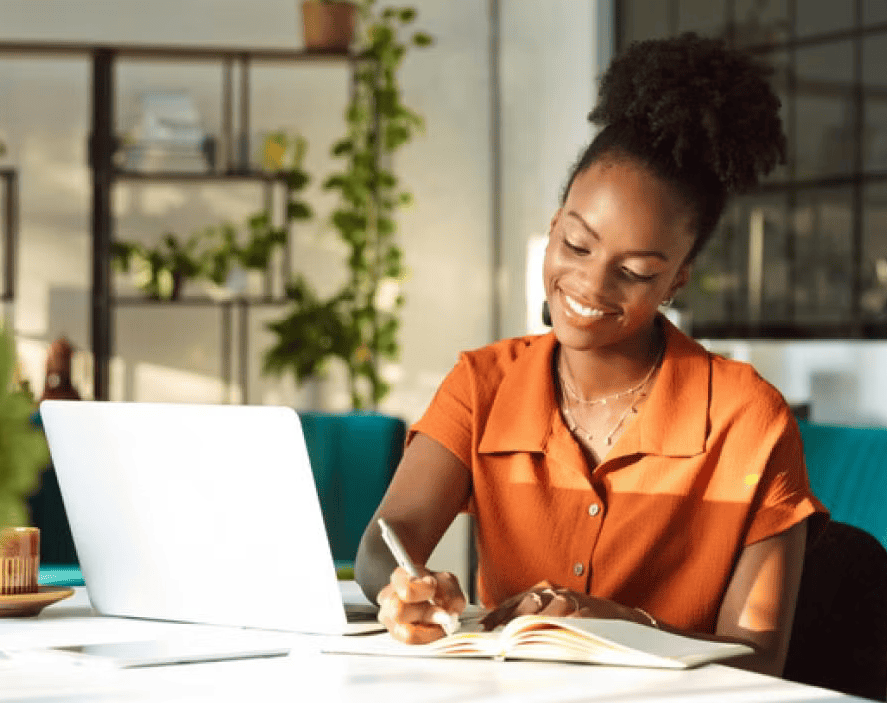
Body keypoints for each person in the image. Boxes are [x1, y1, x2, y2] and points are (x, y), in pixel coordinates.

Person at [355, 32, 828, 677]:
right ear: (553, 228)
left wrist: (613, 619)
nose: (590, 288)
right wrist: (406, 587)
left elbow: (761, 657)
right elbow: (385, 544)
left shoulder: (748, 419)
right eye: (577, 247)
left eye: (633, 271)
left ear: (678, 279)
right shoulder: (482, 383)